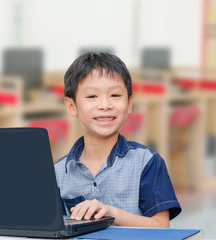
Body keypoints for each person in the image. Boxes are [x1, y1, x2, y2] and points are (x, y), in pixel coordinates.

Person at [55, 52, 181, 227]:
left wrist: (113, 214)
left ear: (129, 104)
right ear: (71, 106)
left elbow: (161, 226)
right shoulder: (59, 173)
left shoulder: (146, 161)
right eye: (92, 96)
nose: (105, 105)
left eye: (115, 95)